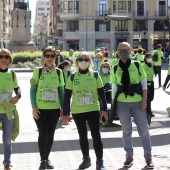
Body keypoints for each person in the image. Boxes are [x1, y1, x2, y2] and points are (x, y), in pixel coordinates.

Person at [110, 42, 154, 169]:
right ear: (117, 51)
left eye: (126, 49)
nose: (123, 51)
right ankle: (129, 157)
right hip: (122, 103)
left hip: (138, 102)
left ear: (130, 51)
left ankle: (148, 157)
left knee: (144, 131)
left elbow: (144, 84)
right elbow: (114, 86)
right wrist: (113, 105)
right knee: (126, 131)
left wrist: (145, 100)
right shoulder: (114, 67)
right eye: (120, 49)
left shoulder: (137, 64)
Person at [62, 51, 108, 170]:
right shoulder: (72, 76)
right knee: (82, 135)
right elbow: (67, 96)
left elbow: (102, 94)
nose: (83, 62)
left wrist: (105, 110)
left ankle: (100, 162)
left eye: (86, 59)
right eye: (81, 59)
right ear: (77, 62)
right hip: (78, 111)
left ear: (90, 62)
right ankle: (86, 159)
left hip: (93, 109)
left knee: (96, 135)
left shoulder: (96, 75)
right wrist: (65, 114)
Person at [30, 46, 65, 170]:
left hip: (54, 109)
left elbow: (61, 91)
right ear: (44, 57)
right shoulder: (38, 71)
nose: (50, 58)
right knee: (43, 133)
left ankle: (47, 158)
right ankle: (43, 160)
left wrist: (63, 108)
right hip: (40, 109)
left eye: (52, 56)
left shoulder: (59, 72)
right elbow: (32, 91)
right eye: (47, 56)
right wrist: (34, 107)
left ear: (55, 57)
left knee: (50, 134)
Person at [0, 48, 21, 170]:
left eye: (6, 57)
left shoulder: (12, 74)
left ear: (9, 60)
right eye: (1, 57)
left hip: (8, 111)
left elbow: (17, 88)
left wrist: (18, 96)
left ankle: (7, 163)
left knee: (7, 139)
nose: (3, 59)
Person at [143, 53, 158, 118]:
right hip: (145, 83)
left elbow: (156, 72)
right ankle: (148, 112)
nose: (150, 59)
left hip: (151, 83)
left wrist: (154, 66)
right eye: (149, 57)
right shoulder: (143, 65)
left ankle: (149, 111)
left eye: (151, 58)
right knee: (147, 98)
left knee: (150, 98)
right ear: (146, 58)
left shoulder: (151, 65)